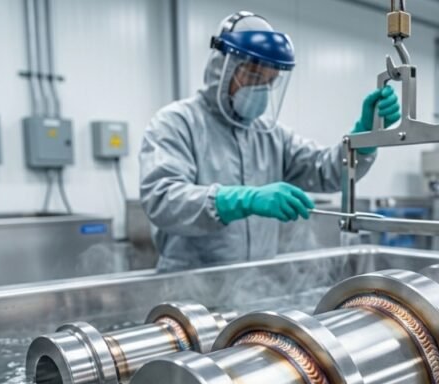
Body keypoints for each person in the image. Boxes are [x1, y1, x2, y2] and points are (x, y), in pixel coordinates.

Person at [139, 11, 400, 272]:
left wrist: (365, 135)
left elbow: (326, 171)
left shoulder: (272, 135)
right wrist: (240, 200)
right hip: (189, 292)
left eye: (270, 81)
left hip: (254, 287)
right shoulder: (176, 123)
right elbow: (162, 200)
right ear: (223, 68)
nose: (260, 88)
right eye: (253, 76)